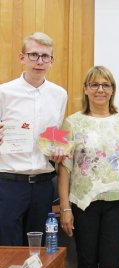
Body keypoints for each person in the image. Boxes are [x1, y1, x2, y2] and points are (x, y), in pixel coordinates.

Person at [58, 66, 119, 268]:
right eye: (94, 85)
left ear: (112, 90)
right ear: (86, 89)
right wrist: (65, 209)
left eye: (105, 85)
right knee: (87, 264)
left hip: (117, 203)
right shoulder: (72, 122)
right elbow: (64, 167)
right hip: (84, 204)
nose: (100, 89)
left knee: (111, 266)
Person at [0, 32, 68, 246]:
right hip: (9, 183)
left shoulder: (59, 95)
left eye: (45, 56)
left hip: (43, 184)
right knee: (8, 249)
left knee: (38, 251)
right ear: (22, 58)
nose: (39, 61)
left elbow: (55, 136)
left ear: (52, 61)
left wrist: (59, 150)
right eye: (34, 55)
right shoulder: (4, 93)